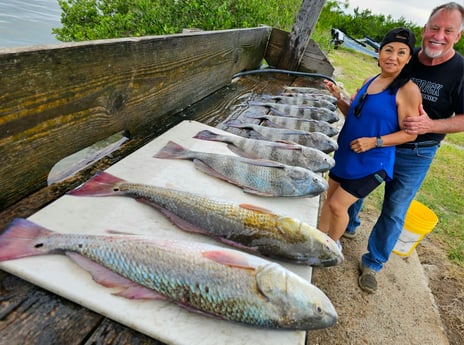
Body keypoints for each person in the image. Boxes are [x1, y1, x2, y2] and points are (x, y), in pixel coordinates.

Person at [346, 2, 464, 294]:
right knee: (355, 187)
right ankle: (347, 226)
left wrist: (431, 126)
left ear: (458, 36)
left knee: (395, 209)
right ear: (425, 30)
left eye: (448, 31)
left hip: (417, 153)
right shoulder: (407, 56)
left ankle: (373, 263)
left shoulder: (461, 71)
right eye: (435, 28)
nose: (439, 35)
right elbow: (383, 76)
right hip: (381, 141)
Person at [319, 27, 421, 249]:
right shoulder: (370, 79)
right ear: (379, 53)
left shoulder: (408, 90)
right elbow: (355, 115)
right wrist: (338, 98)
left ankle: (331, 247)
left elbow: (410, 133)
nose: (393, 57)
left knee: (338, 206)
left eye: (401, 52)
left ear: (408, 58)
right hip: (347, 153)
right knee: (328, 200)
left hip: (374, 162)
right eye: (388, 50)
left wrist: (374, 142)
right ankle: (316, 238)